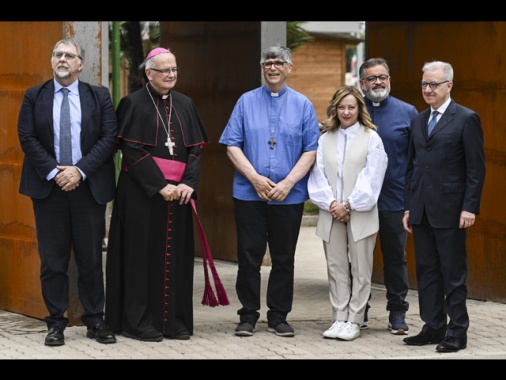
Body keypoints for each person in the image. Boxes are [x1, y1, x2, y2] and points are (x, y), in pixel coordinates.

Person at [105, 47, 217, 342]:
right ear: (149, 74)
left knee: (176, 257)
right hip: (143, 195)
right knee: (141, 257)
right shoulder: (133, 103)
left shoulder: (186, 103)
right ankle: (138, 321)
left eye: (175, 70)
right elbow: (131, 150)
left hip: (178, 195)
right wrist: (160, 185)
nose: (171, 75)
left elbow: (195, 149)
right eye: (165, 70)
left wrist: (188, 184)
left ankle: (173, 321)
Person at [17, 39, 118, 346]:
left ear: (80, 64)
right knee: (53, 260)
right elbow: (27, 137)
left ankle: (95, 320)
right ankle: (56, 322)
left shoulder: (98, 96)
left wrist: (79, 171)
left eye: (69, 55)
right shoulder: (34, 96)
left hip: (87, 188)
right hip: (49, 189)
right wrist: (56, 172)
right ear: (52, 62)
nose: (62, 59)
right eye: (57, 54)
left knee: (90, 258)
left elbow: (109, 137)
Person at [219, 45, 320, 338]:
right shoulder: (245, 101)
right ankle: (248, 314)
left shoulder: (303, 105)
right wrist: (255, 178)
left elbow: (311, 150)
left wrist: (288, 183)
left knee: (284, 257)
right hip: (250, 194)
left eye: (278, 63)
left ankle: (278, 315)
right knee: (249, 256)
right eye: (268, 63)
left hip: (289, 196)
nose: (272, 67)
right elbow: (232, 144)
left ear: (289, 68)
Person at [402, 61, 485, 353]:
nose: (428, 89)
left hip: (451, 211)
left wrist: (469, 208)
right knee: (426, 272)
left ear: (449, 85)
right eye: (424, 84)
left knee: (453, 273)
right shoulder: (417, 120)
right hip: (421, 210)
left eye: (434, 84)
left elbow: (475, 169)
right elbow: (413, 167)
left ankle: (457, 331)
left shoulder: (465, 118)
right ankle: (433, 326)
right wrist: (409, 207)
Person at [308, 85, 388, 341]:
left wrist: (349, 205)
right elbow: (317, 174)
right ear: (334, 109)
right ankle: (339, 317)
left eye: (351, 107)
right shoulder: (324, 138)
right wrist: (332, 203)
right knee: (336, 267)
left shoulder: (371, 138)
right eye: (341, 107)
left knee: (361, 269)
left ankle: (355, 319)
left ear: (359, 109)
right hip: (331, 212)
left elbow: (373, 177)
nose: (346, 111)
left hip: (360, 212)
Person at [359, 57, 418, 335]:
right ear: (362, 83)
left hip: (395, 201)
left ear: (390, 80)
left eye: (383, 77)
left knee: (396, 258)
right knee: (358, 259)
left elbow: (418, 159)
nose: (378, 82)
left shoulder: (409, 113)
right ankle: (360, 311)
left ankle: (397, 313)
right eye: (372, 78)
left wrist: (412, 200)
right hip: (359, 201)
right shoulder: (352, 111)